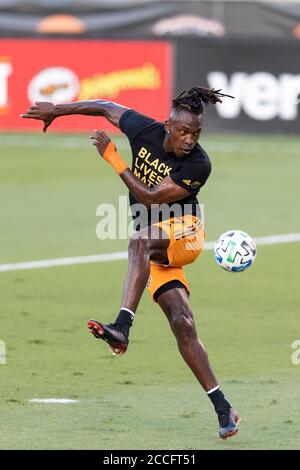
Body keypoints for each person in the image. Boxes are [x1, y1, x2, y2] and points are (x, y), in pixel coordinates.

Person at [21, 87, 240, 439]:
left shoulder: (199, 164)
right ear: (168, 125)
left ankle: (122, 326)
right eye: (183, 131)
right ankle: (223, 408)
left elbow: (150, 196)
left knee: (139, 240)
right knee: (182, 323)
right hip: (154, 247)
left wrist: (113, 158)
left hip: (185, 234)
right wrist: (58, 110)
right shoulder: (143, 129)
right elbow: (106, 107)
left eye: (196, 133)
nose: (189, 140)